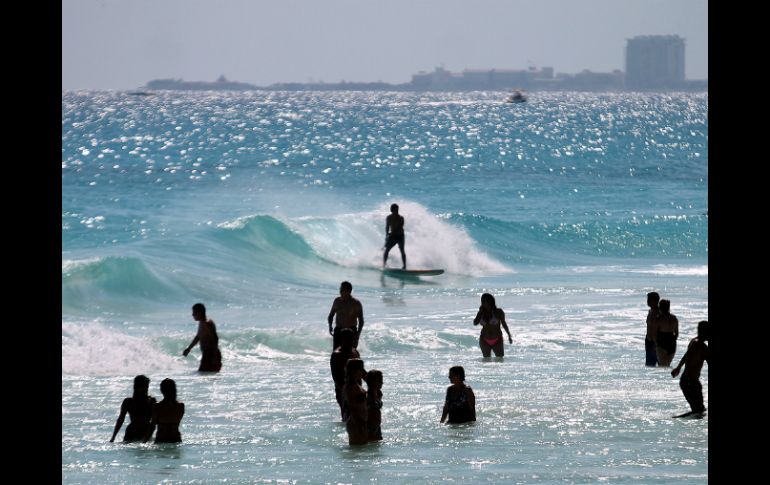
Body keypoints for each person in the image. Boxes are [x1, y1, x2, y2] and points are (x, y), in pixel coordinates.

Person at [671, 321, 709, 416]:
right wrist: (678, 368)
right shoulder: (701, 346)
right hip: (690, 383)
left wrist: (678, 368)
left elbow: (686, 355)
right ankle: (675, 419)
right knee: (698, 411)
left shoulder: (694, 342)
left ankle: (677, 420)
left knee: (700, 411)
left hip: (690, 382)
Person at [110, 375, 156, 442]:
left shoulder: (151, 401)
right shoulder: (128, 402)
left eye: (147, 386)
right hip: (132, 432)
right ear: (136, 387)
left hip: (146, 432)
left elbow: (154, 421)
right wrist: (113, 437)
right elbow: (121, 419)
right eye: (144, 386)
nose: (146, 388)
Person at [330, 328, 361, 420]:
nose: (351, 341)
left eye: (352, 339)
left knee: (358, 416)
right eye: (348, 339)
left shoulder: (355, 352)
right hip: (343, 390)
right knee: (347, 417)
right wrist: (346, 392)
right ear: (342, 340)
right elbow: (336, 376)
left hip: (357, 389)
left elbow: (361, 370)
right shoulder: (337, 355)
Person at [183, 303, 222, 372]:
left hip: (211, 354)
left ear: (200, 313)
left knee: (205, 375)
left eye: (194, 312)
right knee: (205, 376)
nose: (192, 315)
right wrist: (189, 348)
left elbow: (215, 338)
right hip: (207, 354)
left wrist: (214, 356)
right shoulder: (201, 322)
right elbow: (198, 337)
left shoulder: (207, 323)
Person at [144, 378, 185, 443]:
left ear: (162, 390)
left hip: (161, 438)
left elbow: (152, 426)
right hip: (176, 439)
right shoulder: (181, 406)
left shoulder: (157, 406)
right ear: (174, 390)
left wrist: (144, 442)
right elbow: (177, 421)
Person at [473, 293, 513, 358]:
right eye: (482, 301)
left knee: (500, 360)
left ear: (489, 301)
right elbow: (475, 323)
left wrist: (509, 335)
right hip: (484, 340)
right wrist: (480, 312)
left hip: (497, 339)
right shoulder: (481, 312)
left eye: (483, 301)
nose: (482, 303)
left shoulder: (498, 312)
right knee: (486, 361)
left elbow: (504, 324)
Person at [327, 281, 364, 349]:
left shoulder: (356, 303)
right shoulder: (337, 301)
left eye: (342, 290)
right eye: (340, 289)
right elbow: (331, 315)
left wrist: (358, 335)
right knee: (336, 354)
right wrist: (330, 327)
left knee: (351, 355)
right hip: (338, 330)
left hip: (351, 331)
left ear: (348, 291)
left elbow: (361, 321)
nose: (340, 291)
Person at [343, 358, 368, 445]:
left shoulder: (356, 385)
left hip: (360, 420)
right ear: (354, 370)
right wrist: (359, 424)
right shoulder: (350, 387)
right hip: (356, 421)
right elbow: (352, 407)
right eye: (361, 369)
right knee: (358, 448)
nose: (362, 372)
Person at [655, 299, 679, 367]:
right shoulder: (674, 318)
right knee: (667, 365)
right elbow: (677, 333)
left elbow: (655, 333)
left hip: (662, 342)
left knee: (662, 366)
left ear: (660, 308)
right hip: (672, 342)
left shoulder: (659, 319)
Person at [383, 203, 406, 269]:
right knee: (387, 250)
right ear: (392, 210)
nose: (397, 212)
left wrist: (392, 233)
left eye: (397, 210)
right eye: (395, 210)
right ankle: (384, 265)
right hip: (393, 236)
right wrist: (387, 235)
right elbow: (387, 227)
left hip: (400, 236)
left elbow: (399, 227)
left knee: (402, 250)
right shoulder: (388, 218)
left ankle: (404, 266)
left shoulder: (401, 218)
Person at [365, 370, 383, 442]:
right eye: (379, 380)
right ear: (372, 382)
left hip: (377, 425)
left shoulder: (379, 393)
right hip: (370, 426)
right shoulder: (367, 396)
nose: (382, 383)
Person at [645, 292, 661, 367]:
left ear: (655, 301)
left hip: (656, 342)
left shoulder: (658, 313)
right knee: (649, 365)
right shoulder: (650, 311)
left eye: (649, 300)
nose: (647, 301)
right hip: (649, 341)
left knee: (660, 365)